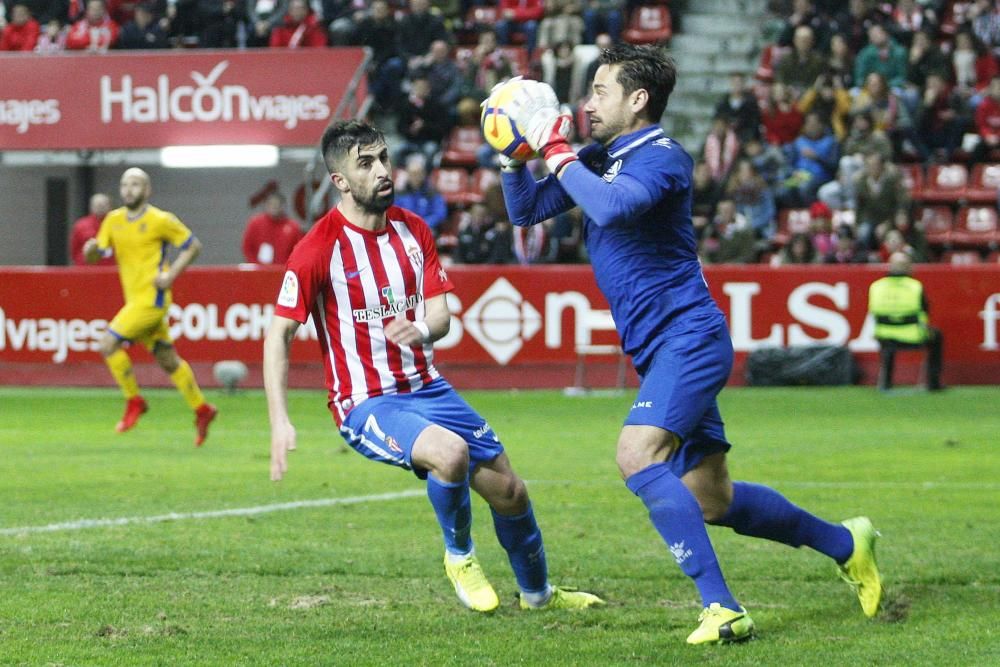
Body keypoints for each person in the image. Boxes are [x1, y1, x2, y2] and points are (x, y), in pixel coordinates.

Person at [495, 45, 882, 644]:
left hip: (688, 337)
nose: (587, 103)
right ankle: (846, 542)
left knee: (635, 455)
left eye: (600, 91)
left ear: (637, 99)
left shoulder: (663, 157)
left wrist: (555, 151)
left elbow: (614, 209)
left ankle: (723, 609)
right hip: (659, 347)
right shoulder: (599, 156)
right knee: (711, 498)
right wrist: (512, 153)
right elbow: (526, 211)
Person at [263, 120, 604, 614]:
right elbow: (278, 334)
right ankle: (460, 557)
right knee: (450, 453)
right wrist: (280, 419)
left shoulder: (413, 229)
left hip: (428, 387)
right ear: (339, 181)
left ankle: (540, 596)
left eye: (383, 157)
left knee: (510, 491)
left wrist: (420, 330)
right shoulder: (318, 248)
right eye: (366, 163)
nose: (382, 170)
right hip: (366, 401)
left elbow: (441, 313)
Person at [82, 168, 218, 445]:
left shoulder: (160, 220)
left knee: (108, 344)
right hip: (134, 300)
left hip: (152, 300)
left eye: (136, 184)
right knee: (168, 361)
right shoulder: (113, 220)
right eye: (125, 184)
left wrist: (170, 276)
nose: (129, 189)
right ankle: (202, 409)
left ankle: (134, 400)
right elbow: (98, 255)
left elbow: (193, 246)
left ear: (147, 190)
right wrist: (91, 250)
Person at [868, 252, 943, 391]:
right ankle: (933, 383)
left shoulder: (876, 287)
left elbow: (873, 312)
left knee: (888, 348)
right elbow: (925, 310)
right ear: (909, 267)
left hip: (884, 336)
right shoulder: (915, 286)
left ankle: (886, 382)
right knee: (937, 336)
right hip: (913, 336)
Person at [241, 192, 304, 264]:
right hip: (259, 270)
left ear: (283, 206)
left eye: (277, 204)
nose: (274, 207)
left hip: (282, 270)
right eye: (271, 204)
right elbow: (247, 247)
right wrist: (255, 265)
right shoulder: (255, 223)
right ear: (266, 205)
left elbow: (298, 251)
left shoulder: (293, 227)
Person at [70, 193, 114, 266]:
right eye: (97, 205)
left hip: (110, 269)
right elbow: (74, 251)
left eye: (103, 205)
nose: (100, 207)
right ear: (91, 206)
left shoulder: (118, 225)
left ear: (110, 206)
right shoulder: (81, 225)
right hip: (87, 270)